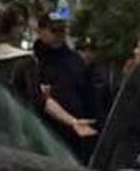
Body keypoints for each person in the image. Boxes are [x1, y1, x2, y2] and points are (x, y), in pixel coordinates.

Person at [33, 15, 99, 158]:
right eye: (54, 31)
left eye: (61, 31)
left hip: (71, 132)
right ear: (40, 31)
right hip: (41, 129)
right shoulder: (33, 60)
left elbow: (88, 95)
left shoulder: (74, 61)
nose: (58, 36)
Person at [0, 3, 41, 108]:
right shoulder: (25, 62)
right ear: (11, 28)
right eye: (21, 24)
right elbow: (34, 106)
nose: (24, 31)